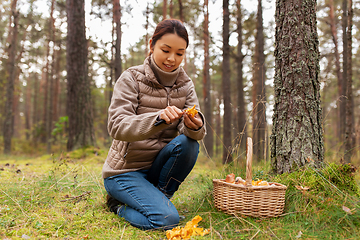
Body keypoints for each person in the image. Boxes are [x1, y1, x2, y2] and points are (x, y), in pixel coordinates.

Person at [102, 19, 206, 230]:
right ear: (152, 45)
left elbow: (196, 134)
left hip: (157, 170)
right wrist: (157, 119)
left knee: (189, 144)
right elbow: (116, 126)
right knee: (165, 220)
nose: (171, 58)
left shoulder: (185, 84)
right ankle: (117, 206)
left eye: (179, 53)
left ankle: (159, 196)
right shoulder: (132, 78)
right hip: (124, 172)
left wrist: (194, 126)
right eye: (165, 50)